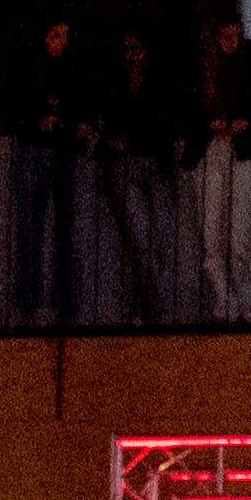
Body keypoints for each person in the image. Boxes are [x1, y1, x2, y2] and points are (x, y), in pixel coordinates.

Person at [0, 16, 99, 327]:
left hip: (65, 152)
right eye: (55, 34)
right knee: (31, 229)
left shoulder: (74, 70)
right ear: (43, 36)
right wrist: (34, 122)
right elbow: (7, 113)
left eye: (65, 36)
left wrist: (80, 126)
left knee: (64, 232)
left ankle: (63, 304)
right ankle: (29, 302)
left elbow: (86, 106)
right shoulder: (27, 70)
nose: (61, 42)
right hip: (35, 150)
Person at [192, 17, 251, 322]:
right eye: (225, 34)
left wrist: (250, 121)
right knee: (211, 227)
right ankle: (223, 299)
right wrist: (210, 122)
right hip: (213, 147)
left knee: (241, 229)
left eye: (233, 33)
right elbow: (189, 103)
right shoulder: (206, 63)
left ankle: (242, 300)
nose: (229, 39)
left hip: (243, 148)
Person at [100, 30, 189, 326]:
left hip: (156, 164)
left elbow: (164, 119)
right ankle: (153, 309)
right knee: (140, 239)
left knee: (161, 239)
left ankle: (144, 307)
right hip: (127, 166)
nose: (131, 55)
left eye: (136, 48)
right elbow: (109, 123)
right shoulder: (115, 84)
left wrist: (133, 135)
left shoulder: (158, 83)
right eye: (127, 49)